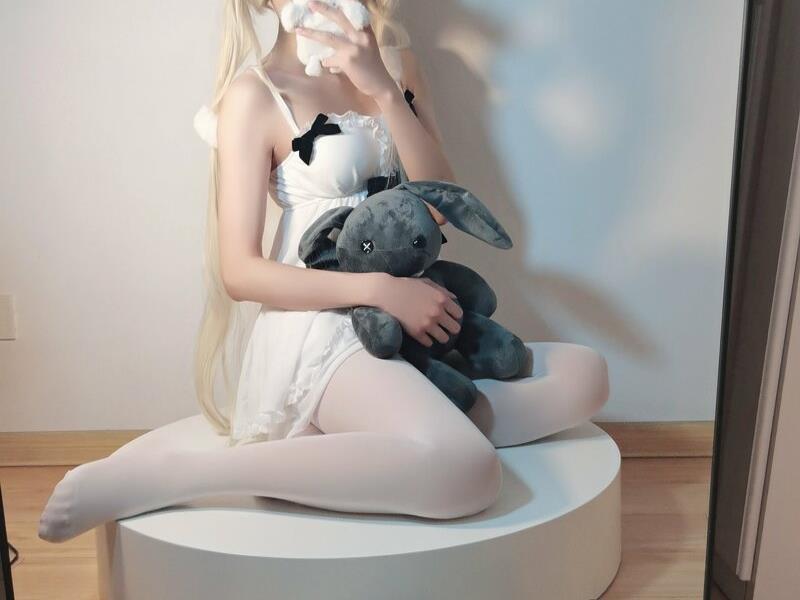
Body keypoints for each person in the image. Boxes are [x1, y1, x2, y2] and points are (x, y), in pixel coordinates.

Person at [38, 0, 608, 543]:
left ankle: (376, 444)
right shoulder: (256, 95)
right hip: (323, 320)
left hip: (414, 310)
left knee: (585, 375)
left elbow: (442, 205)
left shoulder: (399, 67)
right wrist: (381, 291)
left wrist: (384, 90)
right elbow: (240, 271)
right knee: (469, 473)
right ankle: (182, 476)